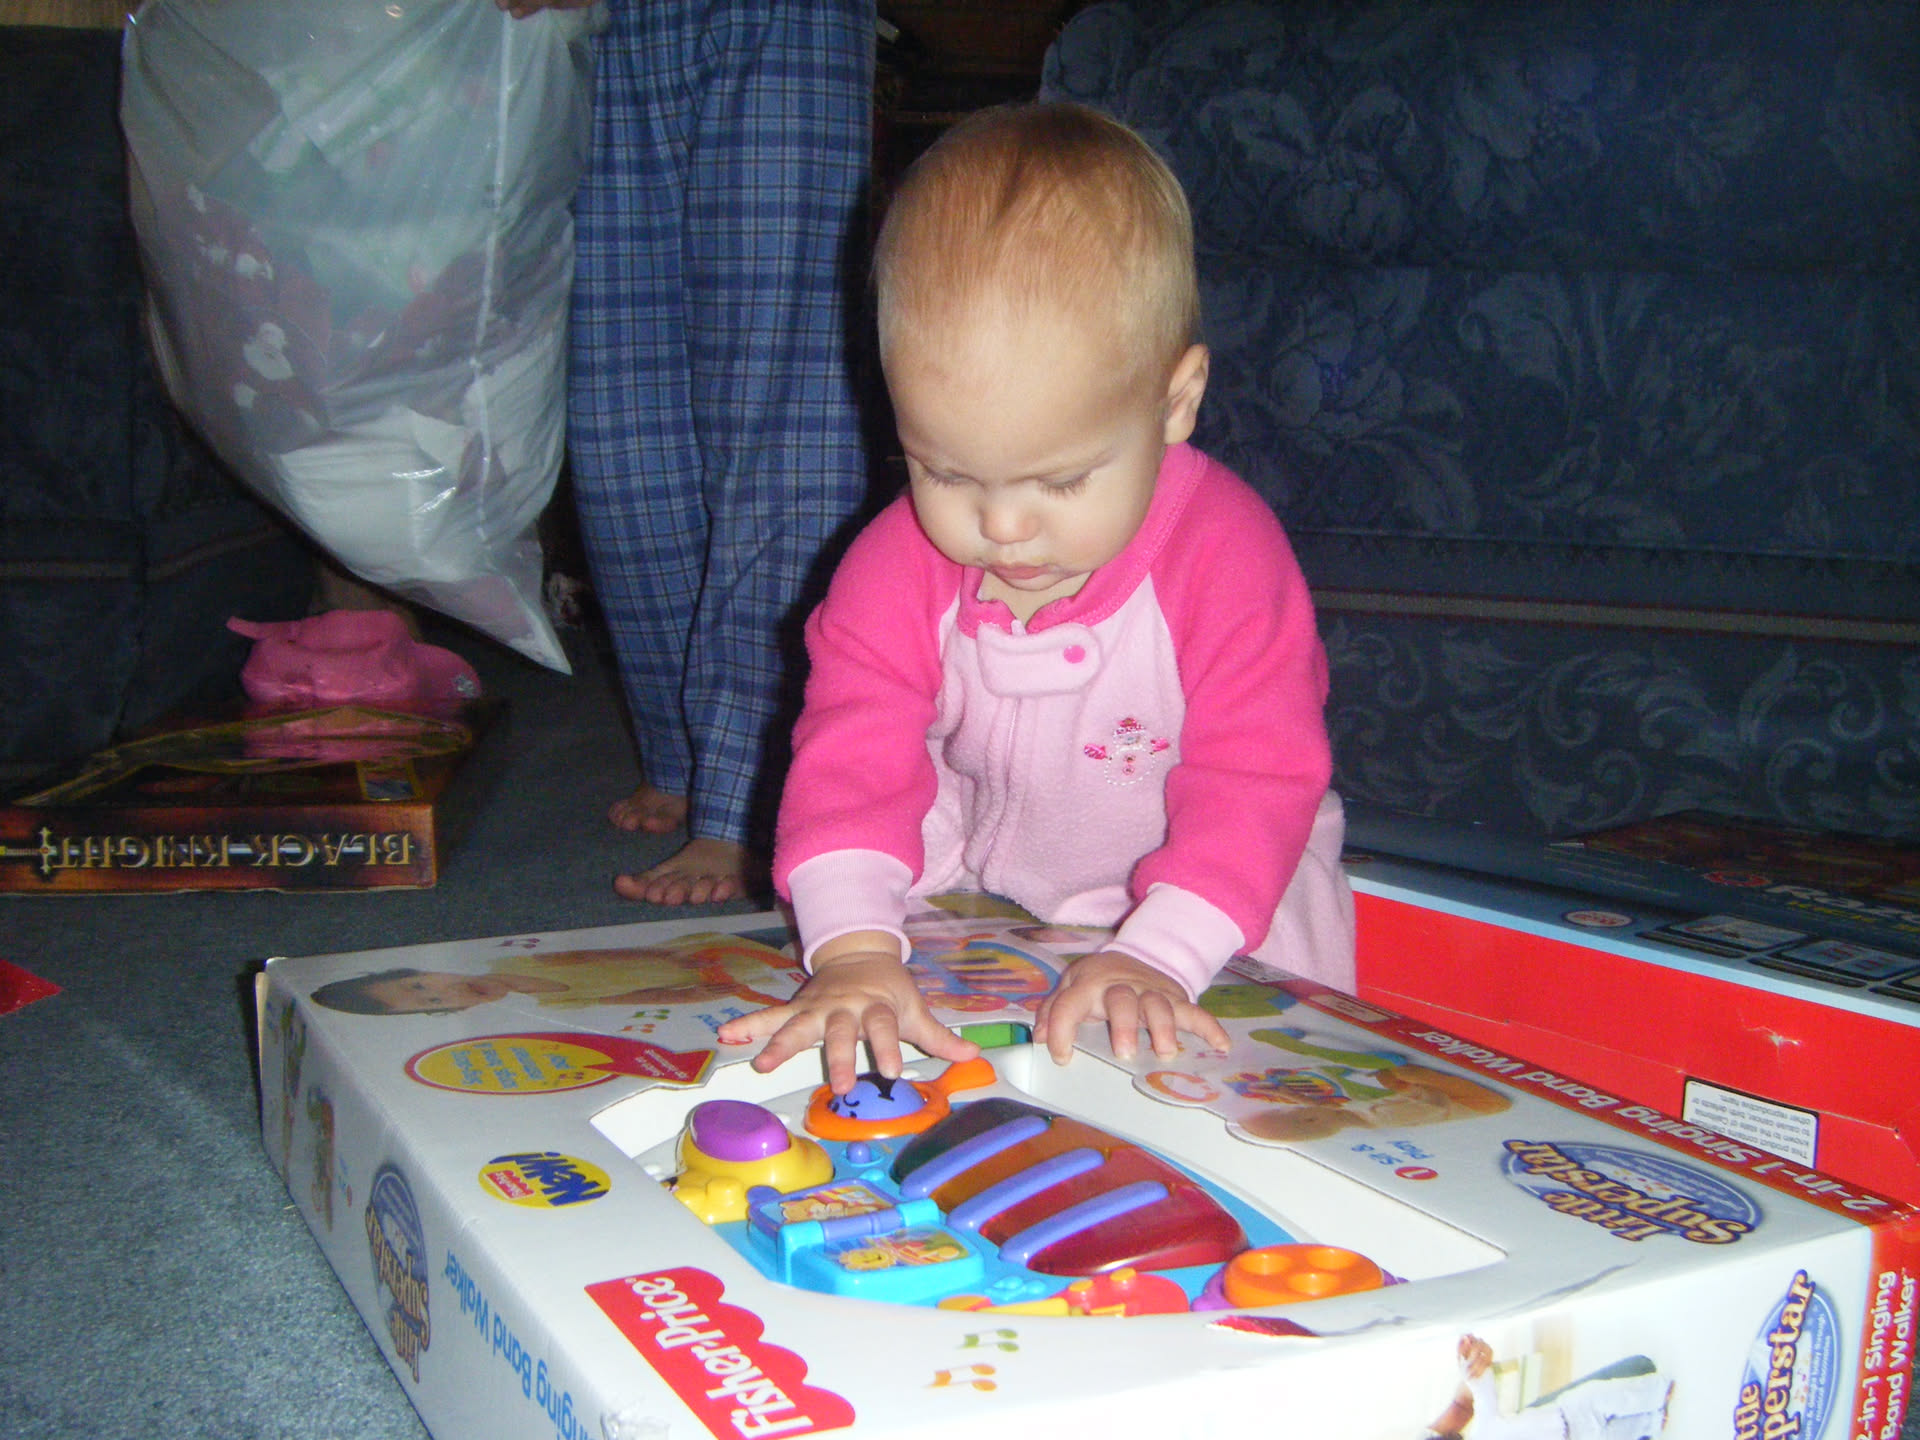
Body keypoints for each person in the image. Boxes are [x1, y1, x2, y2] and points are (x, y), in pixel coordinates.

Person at [716, 102, 1354, 1094]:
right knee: (884, 1065)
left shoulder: (1226, 558)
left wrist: (1162, 952)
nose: (1003, 527)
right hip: (989, 906)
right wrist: (852, 949)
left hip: (1218, 921)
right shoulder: (894, 563)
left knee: (1221, 1112)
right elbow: (852, 758)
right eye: (943, 471)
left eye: (1059, 481)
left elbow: (1259, 778)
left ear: (1176, 401)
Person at [504, 0, 878, 905]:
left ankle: (748, 783)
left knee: (780, 410)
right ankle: (682, 749)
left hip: (781, 18)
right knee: (619, 425)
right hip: (603, 26)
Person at [1423, 1334, 1674, 1440]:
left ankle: (1656, 1391)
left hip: (1567, 1413)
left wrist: (1471, 1364)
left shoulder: (1484, 1431)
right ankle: (1651, 1422)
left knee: (1603, 1396)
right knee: (1618, 1433)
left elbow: (1479, 1394)